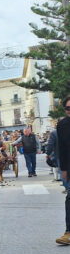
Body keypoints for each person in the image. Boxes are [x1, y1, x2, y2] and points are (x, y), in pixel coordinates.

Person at [55, 95, 70, 245]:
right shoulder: (62, 125)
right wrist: (64, 169)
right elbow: (63, 148)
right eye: (67, 108)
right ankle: (68, 233)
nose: (69, 110)